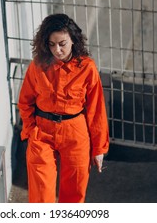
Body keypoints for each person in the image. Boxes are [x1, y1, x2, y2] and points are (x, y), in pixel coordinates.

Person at [17, 13, 110, 203]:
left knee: (74, 194)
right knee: (41, 196)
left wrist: (99, 149)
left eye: (62, 43)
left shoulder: (87, 68)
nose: (57, 50)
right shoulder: (38, 66)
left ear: (73, 41)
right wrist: (30, 130)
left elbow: (96, 110)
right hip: (42, 132)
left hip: (75, 132)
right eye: (51, 44)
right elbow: (25, 101)